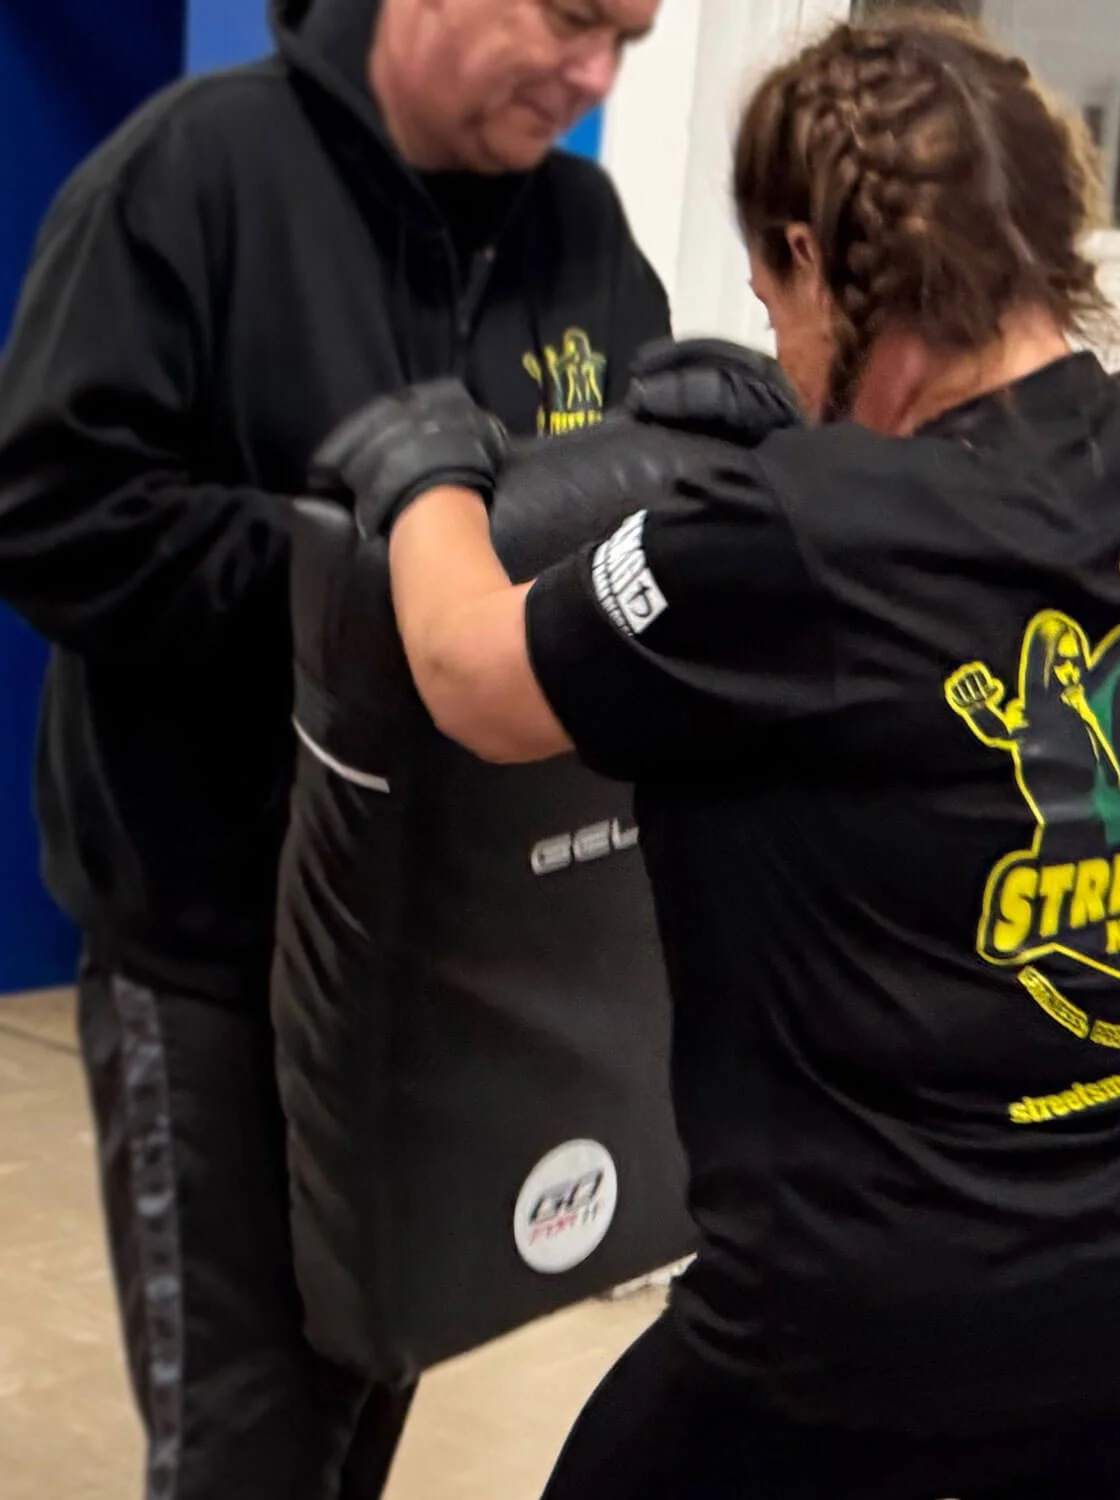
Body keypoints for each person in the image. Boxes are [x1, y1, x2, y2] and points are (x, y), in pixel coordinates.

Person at [314, 12, 1120, 1499]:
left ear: (817, 256)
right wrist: (785, 457)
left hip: (877, 1314)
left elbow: (472, 675)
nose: (774, 337)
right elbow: (944, 617)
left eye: (773, 300)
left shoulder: (798, 537)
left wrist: (425, 464)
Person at [0, 0, 665, 1494]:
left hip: (436, 952)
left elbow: (588, 539)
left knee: (364, 1391)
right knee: (249, 1447)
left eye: (627, 39)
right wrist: (354, 584)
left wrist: (698, 472)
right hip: (214, 945)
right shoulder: (195, 176)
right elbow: (48, 512)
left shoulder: (580, 228)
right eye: (573, 18)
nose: (593, 73)